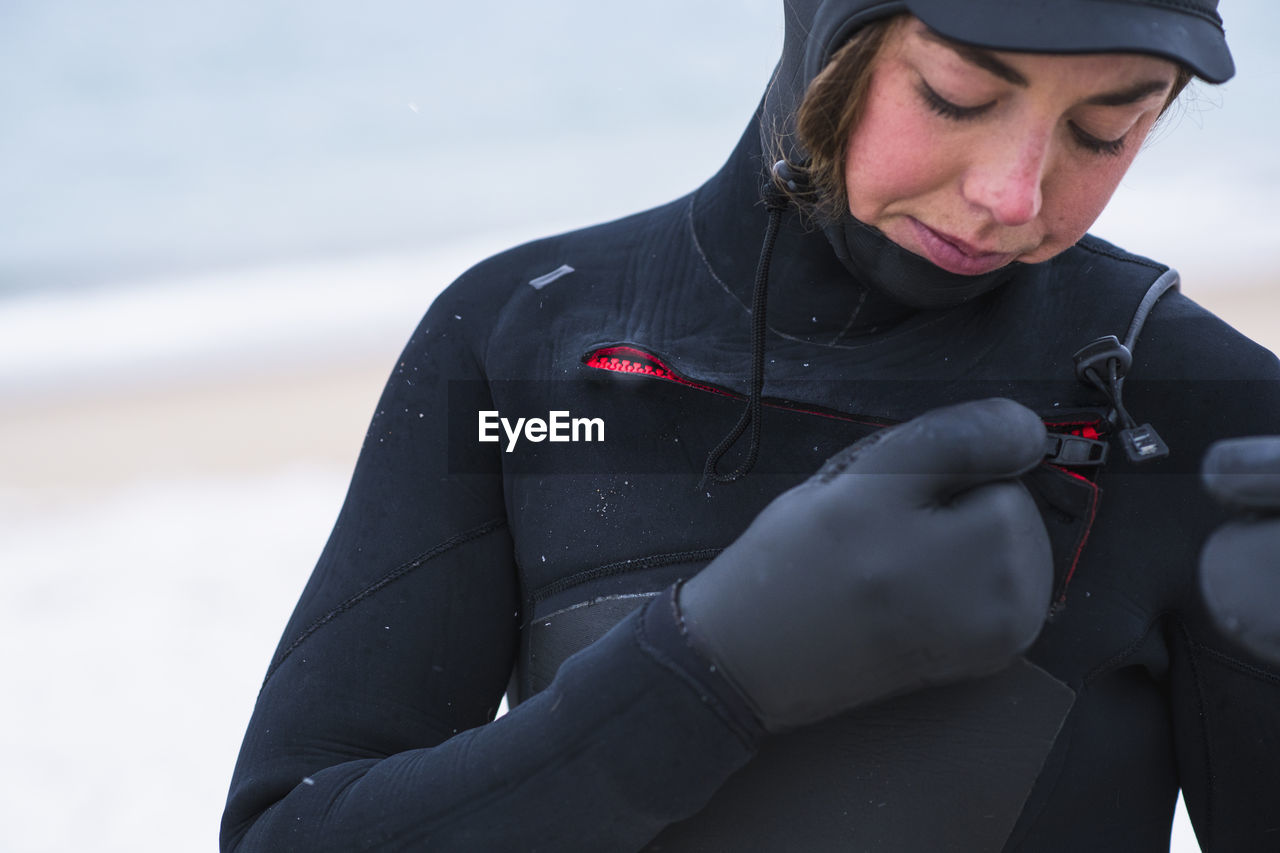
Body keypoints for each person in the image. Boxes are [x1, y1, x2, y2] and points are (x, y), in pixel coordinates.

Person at [221, 1, 1280, 850]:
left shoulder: (1204, 418)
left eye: (1107, 126)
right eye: (956, 95)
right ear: (828, 28)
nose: (1012, 194)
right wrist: (706, 673)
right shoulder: (522, 347)